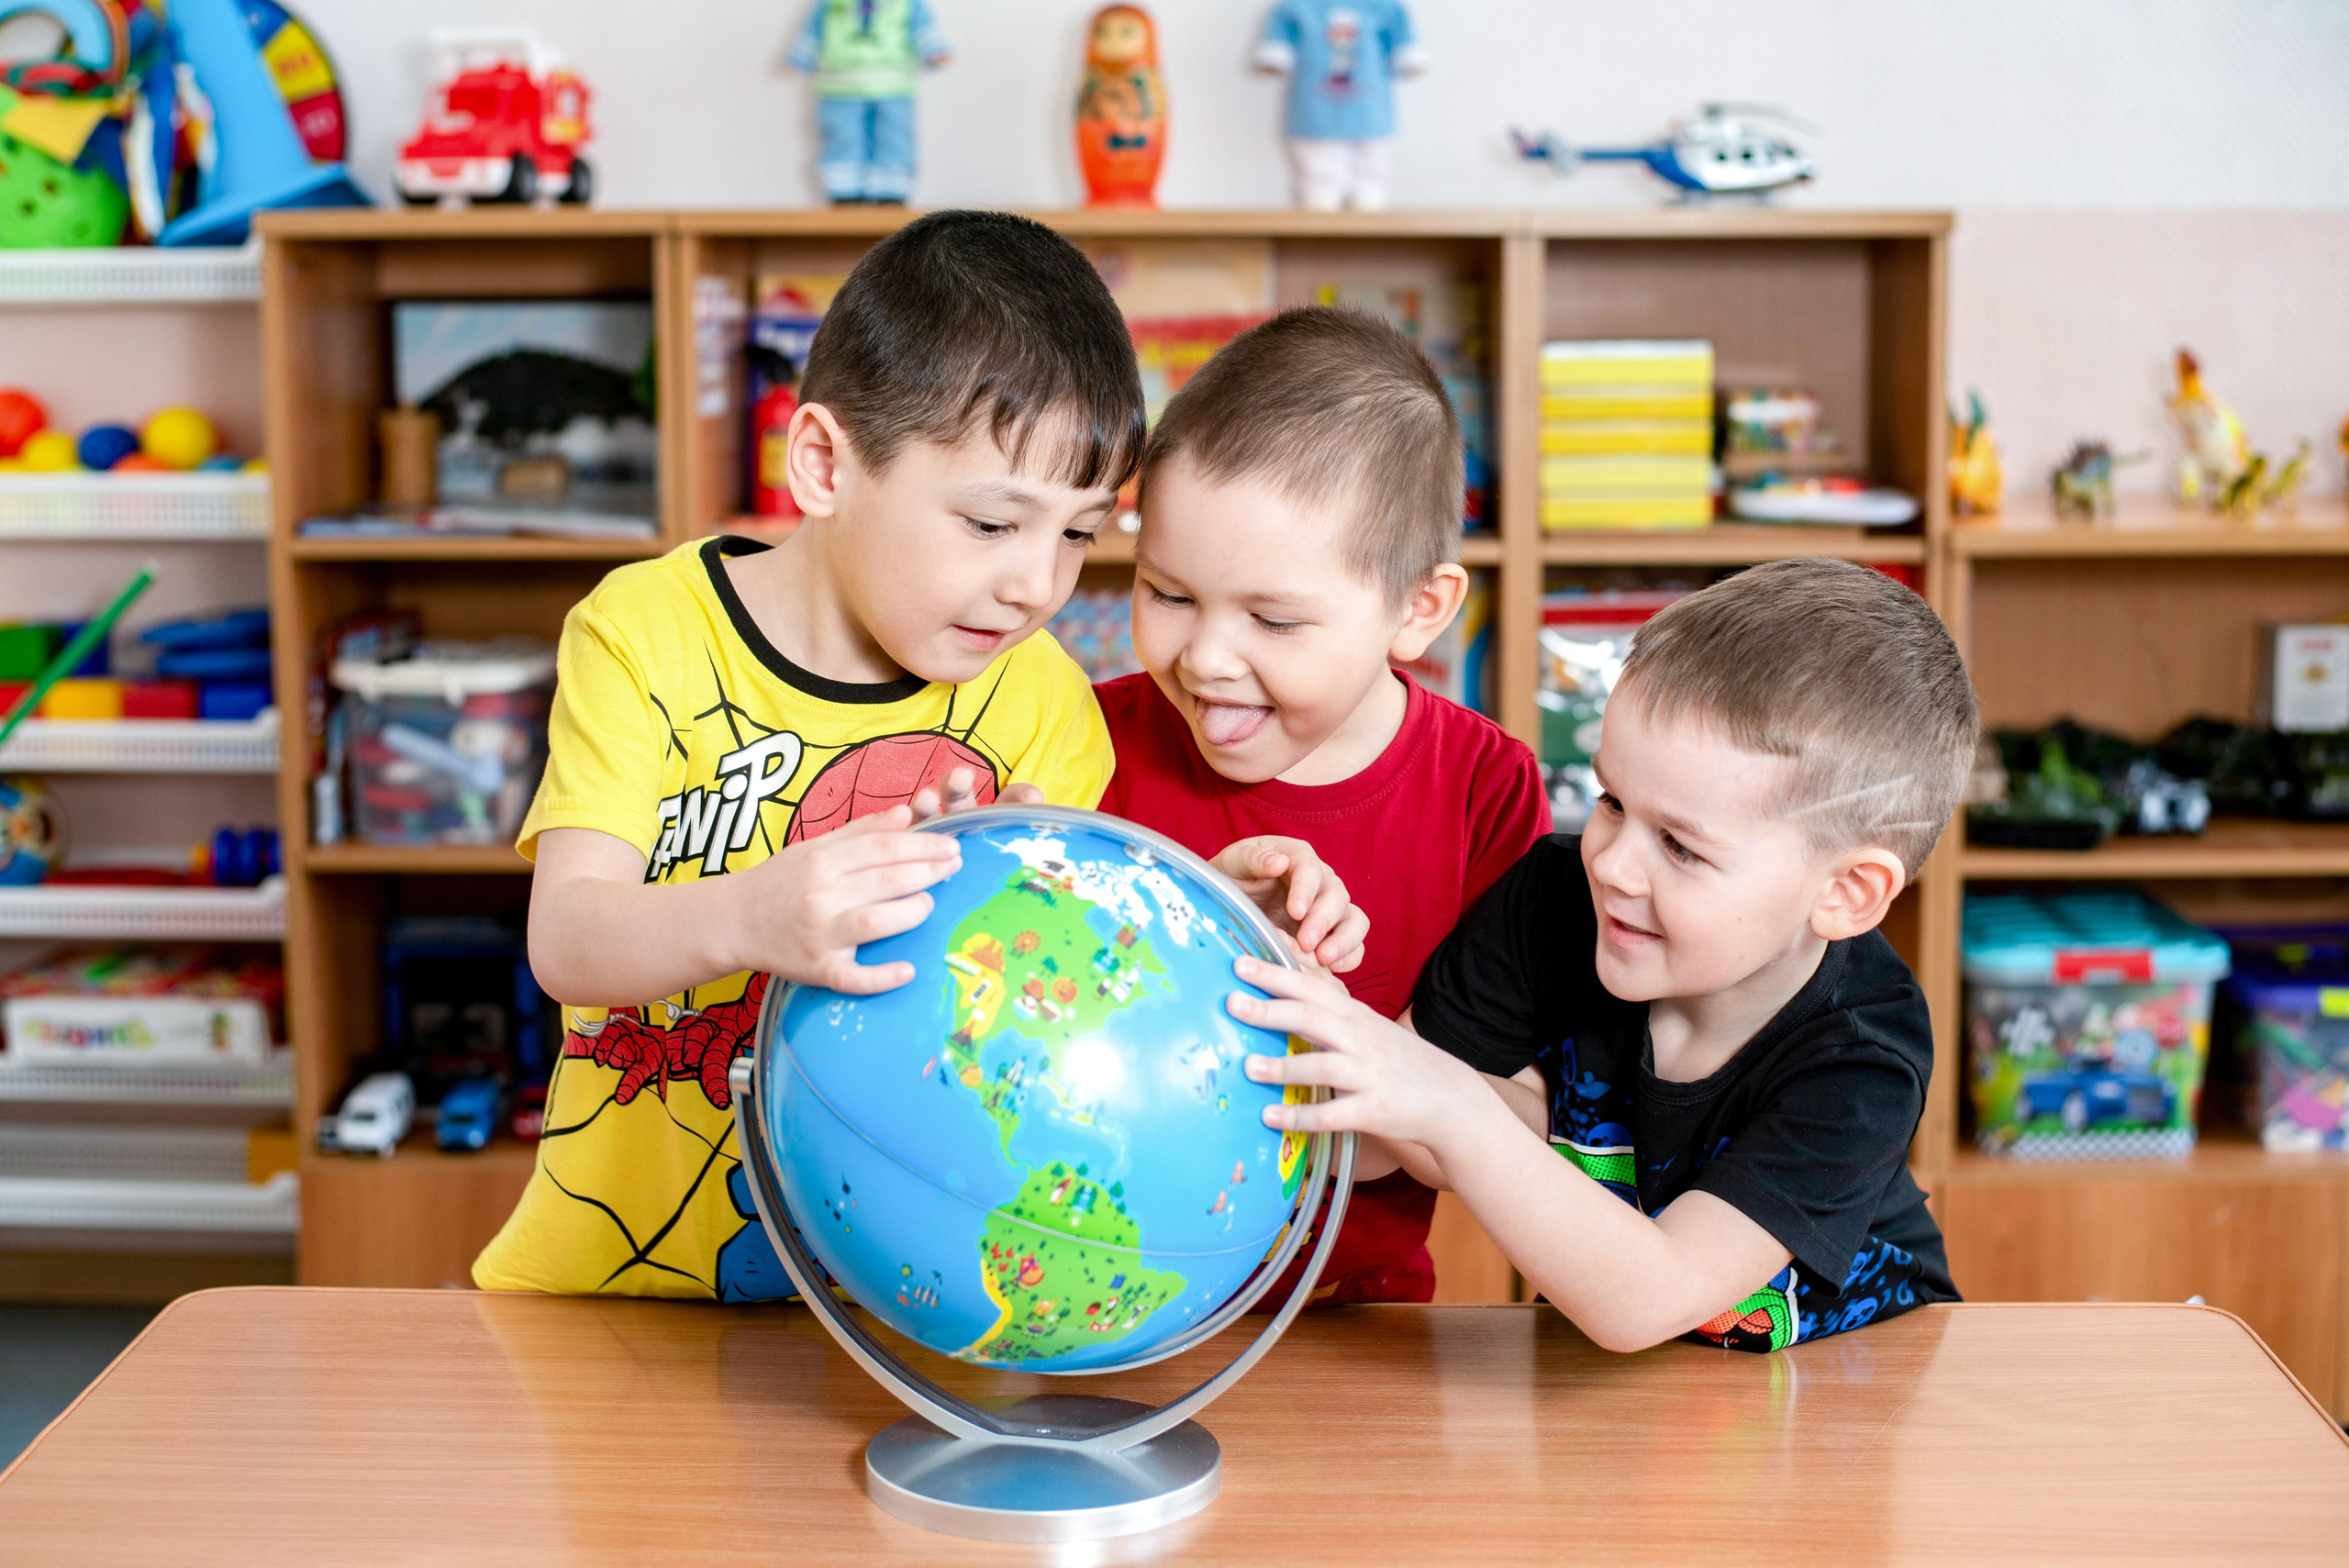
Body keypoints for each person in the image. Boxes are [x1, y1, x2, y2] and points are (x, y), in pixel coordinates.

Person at [473, 211, 1143, 1300]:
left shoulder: (1045, 705)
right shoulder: (641, 631)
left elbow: (1029, 1054)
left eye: (1078, 533)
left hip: (897, 1301)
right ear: (825, 462)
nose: (1037, 584)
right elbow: (567, 937)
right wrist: (753, 915)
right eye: (989, 523)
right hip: (610, 1290)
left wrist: (1020, 912)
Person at [1234, 558, 1976, 1350]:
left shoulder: (1862, 1057)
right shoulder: (1557, 901)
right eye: (1612, 802)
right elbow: (1399, 1142)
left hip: (1857, 1395)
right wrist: (1310, 1016)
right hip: (1643, 1398)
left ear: (1847, 893)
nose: (1612, 863)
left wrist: (1450, 1101)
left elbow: (1649, 1299)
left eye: (1681, 848)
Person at [1097, 306, 1551, 1304]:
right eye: (1166, 592)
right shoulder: (1084, 742)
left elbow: (1521, 1127)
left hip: (1355, 1329)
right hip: (1079, 1301)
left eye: (1272, 617)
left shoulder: (1484, 791)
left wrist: (1335, 1035)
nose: (1205, 657)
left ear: (1417, 608)